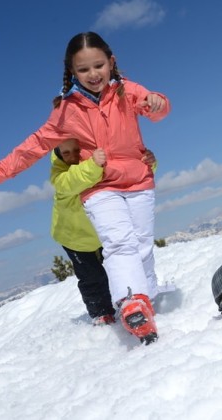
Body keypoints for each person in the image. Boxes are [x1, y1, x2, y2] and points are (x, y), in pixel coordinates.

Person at [0, 31, 170, 344]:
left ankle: (147, 299)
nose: (93, 74)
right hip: (99, 187)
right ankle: (132, 302)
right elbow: (35, 145)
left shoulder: (127, 91)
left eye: (98, 65)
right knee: (119, 243)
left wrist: (157, 103)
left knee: (142, 245)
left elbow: (156, 110)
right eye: (83, 69)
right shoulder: (66, 111)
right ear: (71, 73)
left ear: (111, 62)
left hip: (138, 181)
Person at [51, 138, 156, 326]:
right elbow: (77, 179)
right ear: (58, 156)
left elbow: (127, 176)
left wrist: (146, 162)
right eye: (66, 153)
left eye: (77, 150)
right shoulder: (61, 177)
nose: (74, 157)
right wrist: (93, 163)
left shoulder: (98, 165)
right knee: (91, 277)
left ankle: (128, 298)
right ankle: (100, 312)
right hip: (76, 239)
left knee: (117, 265)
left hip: (101, 233)